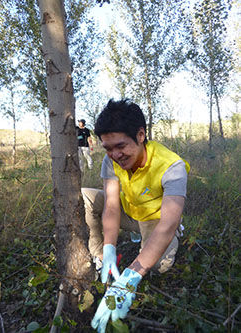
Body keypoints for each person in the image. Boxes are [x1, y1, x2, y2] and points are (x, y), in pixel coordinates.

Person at [81, 99, 190, 333]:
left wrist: (131, 277)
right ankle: (102, 258)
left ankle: (165, 244)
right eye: (107, 148)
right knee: (86, 196)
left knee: (159, 265)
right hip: (128, 211)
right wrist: (109, 247)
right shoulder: (110, 161)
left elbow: (168, 223)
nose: (114, 155)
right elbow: (111, 205)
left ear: (141, 135)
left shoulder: (171, 166)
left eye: (120, 146)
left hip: (156, 221)